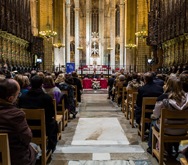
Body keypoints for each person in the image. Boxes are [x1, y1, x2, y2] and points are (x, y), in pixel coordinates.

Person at [147, 76, 188, 155]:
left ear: (168, 85)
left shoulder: (163, 98)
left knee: (153, 121)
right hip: (183, 130)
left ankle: (150, 147)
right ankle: (174, 147)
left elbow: (155, 114)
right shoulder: (186, 98)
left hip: (166, 130)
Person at [0, 78, 37, 165]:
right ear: (10, 98)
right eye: (17, 95)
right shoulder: (16, 114)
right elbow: (27, 137)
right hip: (13, 157)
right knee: (35, 148)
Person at [18, 75, 58, 152]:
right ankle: (51, 147)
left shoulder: (23, 97)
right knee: (53, 123)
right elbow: (51, 114)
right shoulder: (46, 98)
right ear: (41, 84)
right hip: (43, 128)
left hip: (26, 127)